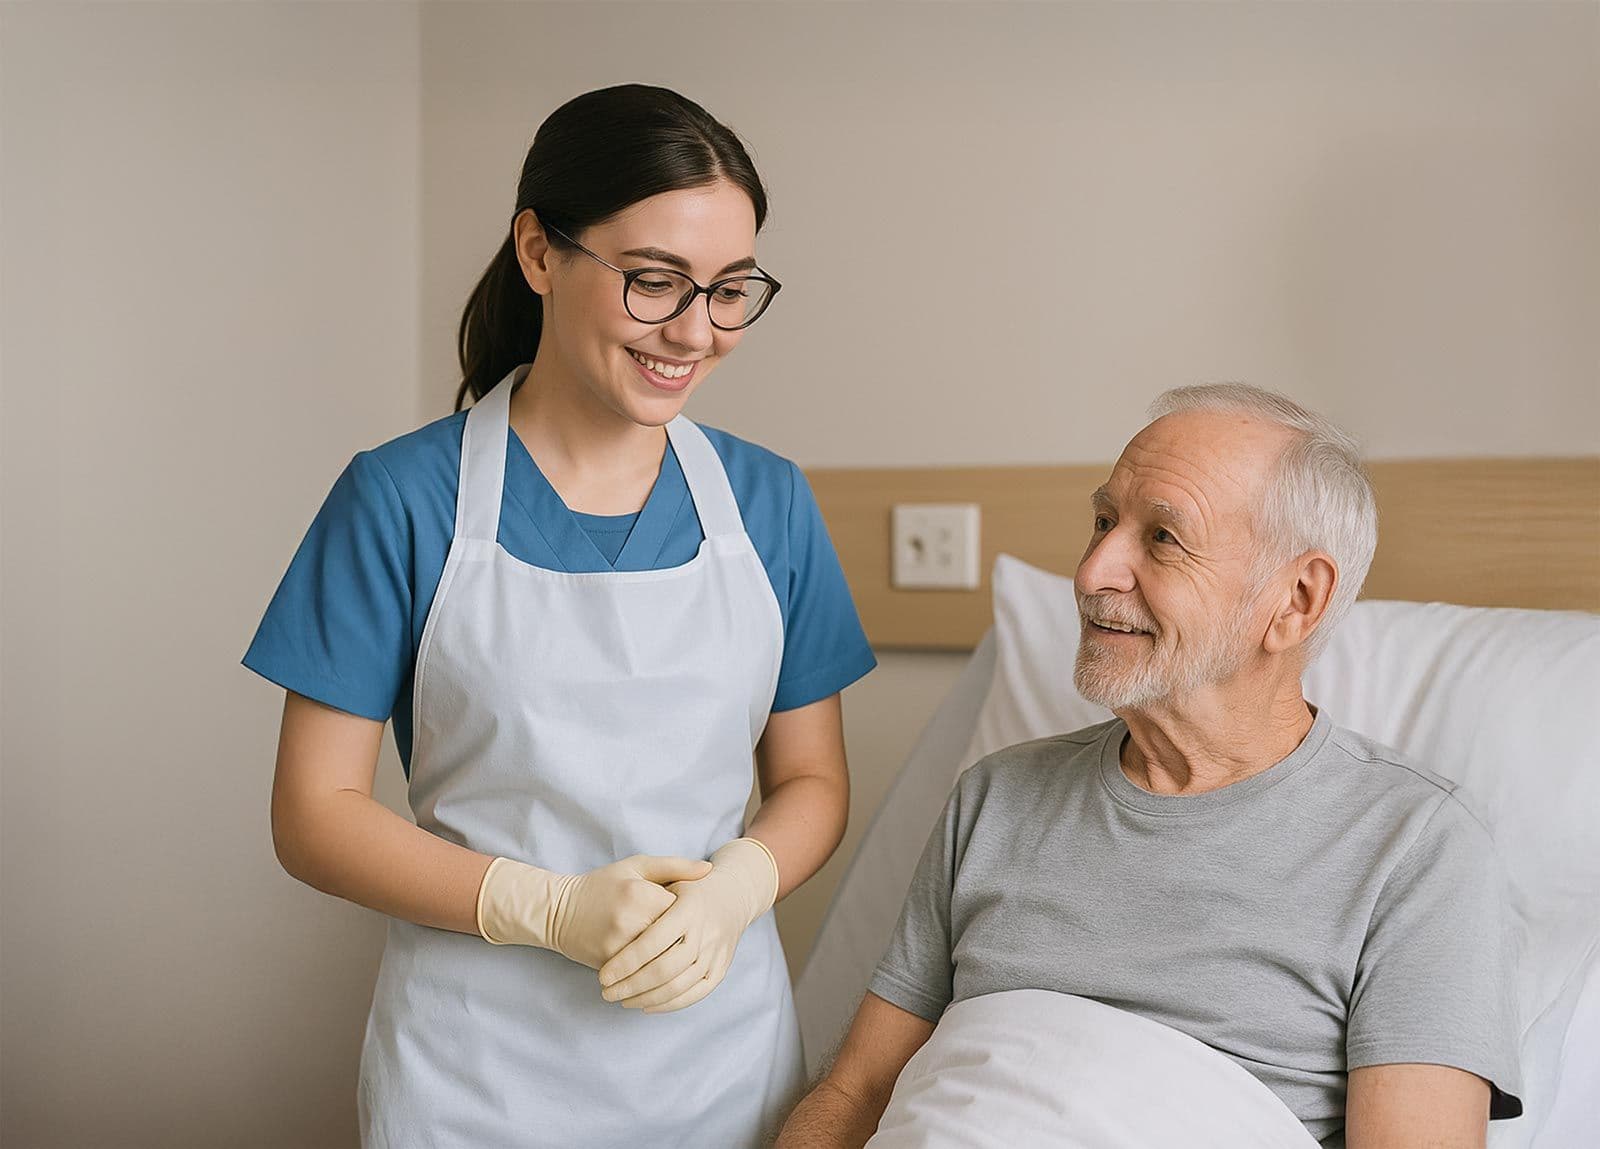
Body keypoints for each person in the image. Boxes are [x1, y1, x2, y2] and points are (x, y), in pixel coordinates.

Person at [244, 83, 875, 1148]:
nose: (695, 332)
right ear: (539, 253)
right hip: (474, 1074)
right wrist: (545, 910)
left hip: (718, 1062)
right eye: (653, 283)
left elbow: (812, 782)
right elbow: (314, 814)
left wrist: (738, 888)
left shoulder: (768, 505)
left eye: (729, 291)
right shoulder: (401, 499)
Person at [777, 384, 1520, 1149]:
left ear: (1297, 600)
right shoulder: (995, 798)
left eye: (1163, 537)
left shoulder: (1416, 849)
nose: (1095, 569)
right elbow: (857, 1089)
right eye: (1103, 521)